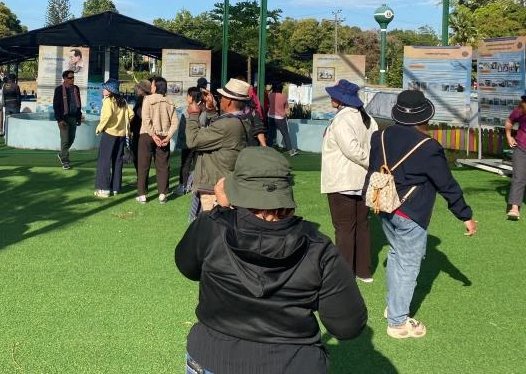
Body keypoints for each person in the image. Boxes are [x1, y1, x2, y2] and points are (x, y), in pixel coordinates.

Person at [175, 147, 367, 373]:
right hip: (291, 363)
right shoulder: (318, 248)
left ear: (235, 188)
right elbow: (347, 326)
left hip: (211, 356)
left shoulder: (211, 226)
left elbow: (187, 267)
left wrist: (221, 208)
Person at [364, 89, 477, 339]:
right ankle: (397, 322)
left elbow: (373, 171)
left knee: (396, 256)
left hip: (383, 205)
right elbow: (446, 184)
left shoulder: (379, 136)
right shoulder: (428, 146)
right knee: (407, 264)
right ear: (424, 116)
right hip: (411, 212)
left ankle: (394, 307)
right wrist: (465, 215)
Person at [320, 79, 378, 283]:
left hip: (343, 180)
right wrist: (372, 164)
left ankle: (345, 274)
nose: (331, 97)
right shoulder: (367, 118)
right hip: (363, 180)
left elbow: (352, 150)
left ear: (340, 99)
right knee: (362, 225)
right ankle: (364, 271)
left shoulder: (343, 119)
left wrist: (369, 161)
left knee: (344, 228)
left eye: (333, 95)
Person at [185, 79, 252, 214]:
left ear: (229, 101)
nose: (219, 100)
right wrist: (211, 111)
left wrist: (193, 116)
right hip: (225, 180)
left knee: (212, 224)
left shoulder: (227, 124)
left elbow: (193, 141)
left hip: (215, 187)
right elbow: (220, 132)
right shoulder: (243, 119)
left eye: (221, 97)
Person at [137, 77, 179, 204]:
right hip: (163, 137)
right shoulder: (170, 102)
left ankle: (142, 195)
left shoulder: (148, 99)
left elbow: (145, 119)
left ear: (156, 87)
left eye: (152, 85)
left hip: (147, 135)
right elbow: (175, 123)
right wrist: (168, 136)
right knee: (163, 165)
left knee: (143, 165)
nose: (151, 87)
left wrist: (153, 134)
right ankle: (162, 194)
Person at [94, 78, 133, 198]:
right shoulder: (122, 100)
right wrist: (122, 124)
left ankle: (104, 188)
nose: (103, 90)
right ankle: (116, 188)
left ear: (110, 90)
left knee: (104, 161)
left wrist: (99, 128)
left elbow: (107, 116)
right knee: (117, 160)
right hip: (121, 135)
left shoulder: (108, 101)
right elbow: (131, 114)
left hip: (110, 134)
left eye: (105, 88)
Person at [53, 70, 83, 169]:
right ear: (65, 78)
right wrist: (59, 120)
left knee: (72, 139)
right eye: (70, 78)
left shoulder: (76, 89)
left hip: (73, 117)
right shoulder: (59, 90)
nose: (72, 79)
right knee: (65, 140)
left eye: (73, 77)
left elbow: (79, 103)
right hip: (63, 119)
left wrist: (79, 116)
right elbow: (56, 106)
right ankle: (65, 160)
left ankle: (62, 154)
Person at [504, 94, 526, 220]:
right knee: (519, 178)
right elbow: (509, 121)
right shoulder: (520, 110)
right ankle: (514, 208)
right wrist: (509, 136)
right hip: (522, 148)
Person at [267, 82, 298, 156]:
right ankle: (290, 151)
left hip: (271, 116)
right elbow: (286, 107)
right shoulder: (284, 96)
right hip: (280, 118)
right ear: (281, 88)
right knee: (285, 134)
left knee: (271, 133)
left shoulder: (270, 95)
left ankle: (268, 150)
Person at [130, 79, 152, 173]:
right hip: (137, 131)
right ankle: (140, 177)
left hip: (143, 132)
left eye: (139, 88)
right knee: (137, 155)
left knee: (142, 157)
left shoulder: (147, 100)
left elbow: (140, 115)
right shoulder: (140, 99)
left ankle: (142, 178)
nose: (137, 90)